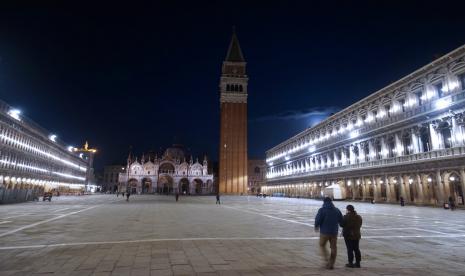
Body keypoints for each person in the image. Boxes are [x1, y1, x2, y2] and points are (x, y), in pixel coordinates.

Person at [314, 197, 343, 270]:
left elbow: (318, 219)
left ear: (324, 202)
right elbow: (341, 221)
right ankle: (331, 263)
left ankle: (327, 260)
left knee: (322, 245)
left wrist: (316, 226)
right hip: (334, 232)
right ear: (331, 202)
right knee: (334, 247)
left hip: (324, 232)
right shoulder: (337, 210)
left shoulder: (322, 210)